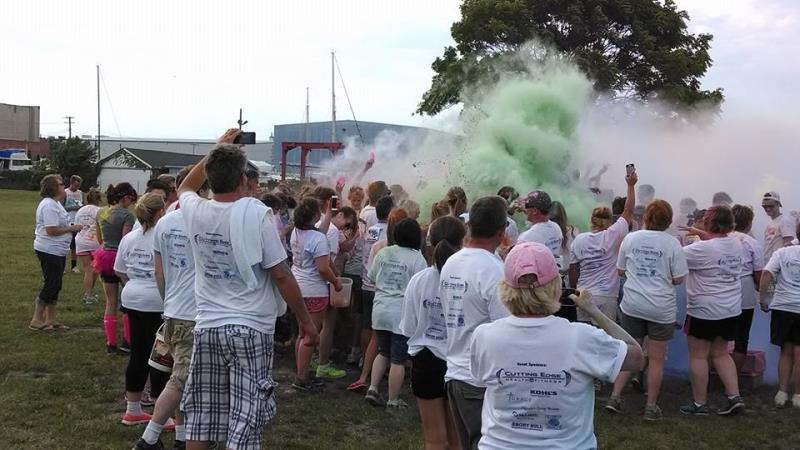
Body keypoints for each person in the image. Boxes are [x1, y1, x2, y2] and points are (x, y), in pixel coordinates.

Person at [178, 130, 318, 450]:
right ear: (243, 179)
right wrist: (305, 321)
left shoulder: (195, 209)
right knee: (246, 419)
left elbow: (184, 186)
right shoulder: (256, 214)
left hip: (208, 324)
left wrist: (217, 149)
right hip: (250, 326)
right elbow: (281, 274)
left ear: (210, 178)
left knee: (201, 415)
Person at [469, 242, 644, 450]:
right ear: (555, 287)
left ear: (505, 288)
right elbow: (637, 357)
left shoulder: (485, 336)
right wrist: (594, 311)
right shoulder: (581, 337)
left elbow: (480, 381)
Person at [132, 167, 206, 450]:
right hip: (194, 313)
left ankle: (182, 436)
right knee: (180, 379)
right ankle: (149, 438)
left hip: (173, 309)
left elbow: (159, 272)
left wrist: (168, 302)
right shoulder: (204, 220)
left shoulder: (164, 223)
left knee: (181, 377)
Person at [606, 200, 688, 420]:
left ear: (646, 217)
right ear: (668, 220)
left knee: (628, 353)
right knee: (657, 359)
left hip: (633, 305)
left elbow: (620, 270)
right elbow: (679, 278)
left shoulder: (631, 238)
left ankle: (614, 397)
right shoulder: (672, 244)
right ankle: (651, 406)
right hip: (661, 308)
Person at [441, 196, 509, 449]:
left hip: (455, 371)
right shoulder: (495, 271)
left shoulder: (452, 261)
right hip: (480, 380)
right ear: (502, 231)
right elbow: (506, 330)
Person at [400, 216, 465, 449]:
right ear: (462, 243)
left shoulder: (418, 280)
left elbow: (408, 328)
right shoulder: (466, 280)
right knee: (458, 439)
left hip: (425, 360)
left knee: (434, 439)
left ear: (429, 242)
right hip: (459, 362)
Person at [680, 206, 746, 415]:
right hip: (730, 309)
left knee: (698, 356)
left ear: (709, 223)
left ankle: (699, 404)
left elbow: (674, 256)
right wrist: (701, 234)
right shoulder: (736, 243)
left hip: (704, 310)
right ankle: (734, 396)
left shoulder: (699, 249)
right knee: (721, 353)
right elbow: (717, 244)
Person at [113, 193, 170, 427]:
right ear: (160, 212)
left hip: (132, 298)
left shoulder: (130, 238)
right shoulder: (164, 237)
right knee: (160, 357)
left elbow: (119, 270)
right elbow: (163, 272)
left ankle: (133, 409)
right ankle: (160, 412)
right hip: (157, 301)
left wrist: (135, 283)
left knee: (138, 353)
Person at [366, 218, 427, 409]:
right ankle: (393, 400)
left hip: (380, 310)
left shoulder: (384, 252)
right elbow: (422, 287)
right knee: (398, 360)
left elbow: (372, 277)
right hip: (401, 314)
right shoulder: (417, 258)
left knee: (383, 352)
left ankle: (373, 388)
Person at [290, 197, 344, 389]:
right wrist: (336, 281)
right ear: (314, 216)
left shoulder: (297, 232)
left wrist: (329, 213)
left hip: (297, 288)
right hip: (314, 291)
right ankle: (302, 378)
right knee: (311, 335)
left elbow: (319, 232)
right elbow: (322, 268)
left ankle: (301, 373)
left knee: (302, 332)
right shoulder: (318, 239)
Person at [569, 170, 637, 324]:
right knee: (606, 336)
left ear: (592, 220)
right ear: (610, 221)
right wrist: (631, 185)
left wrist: (575, 290)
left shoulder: (579, 239)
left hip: (583, 295)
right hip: (606, 297)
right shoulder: (613, 235)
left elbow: (573, 270)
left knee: (585, 335)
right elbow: (628, 211)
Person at [347, 195, 394, 391]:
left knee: (367, 324)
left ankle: (363, 358)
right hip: (378, 286)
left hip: (366, 280)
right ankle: (376, 363)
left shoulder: (371, 230)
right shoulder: (388, 235)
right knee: (377, 330)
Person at [29, 175, 82, 331]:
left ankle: (50, 319)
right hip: (49, 249)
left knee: (56, 284)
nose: (63, 186)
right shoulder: (49, 206)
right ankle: (36, 319)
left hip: (58, 250)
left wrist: (72, 226)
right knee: (51, 284)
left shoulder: (56, 204)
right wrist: (71, 228)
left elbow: (60, 223)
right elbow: (51, 230)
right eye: (60, 184)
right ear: (52, 187)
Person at [759, 223, 800, 408]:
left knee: (786, 351)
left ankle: (782, 393)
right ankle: (798, 395)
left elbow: (767, 274)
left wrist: (763, 299)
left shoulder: (782, 252)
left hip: (783, 307)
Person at [94, 182, 138, 354]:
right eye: (131, 200)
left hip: (104, 257)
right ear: (126, 198)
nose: (131, 204)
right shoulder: (127, 215)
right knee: (126, 301)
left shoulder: (101, 212)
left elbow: (99, 239)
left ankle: (110, 343)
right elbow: (126, 240)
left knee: (110, 301)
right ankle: (127, 341)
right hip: (121, 259)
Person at [730, 205, 764, 372]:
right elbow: (759, 274)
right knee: (741, 339)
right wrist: (764, 292)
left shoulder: (720, 238)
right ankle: (733, 378)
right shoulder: (752, 243)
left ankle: (711, 377)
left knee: (716, 338)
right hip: (745, 291)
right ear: (749, 223)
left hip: (721, 291)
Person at [517, 190, 563, 269]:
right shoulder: (556, 227)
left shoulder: (526, 238)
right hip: (553, 271)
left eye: (526, 205)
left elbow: (518, 265)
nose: (525, 208)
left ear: (535, 211)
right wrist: (529, 212)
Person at [74, 189, 103, 305]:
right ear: (99, 199)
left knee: (88, 269)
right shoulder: (100, 211)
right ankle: (89, 295)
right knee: (94, 269)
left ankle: (88, 294)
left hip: (81, 241)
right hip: (95, 241)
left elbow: (76, 224)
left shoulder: (80, 210)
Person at [762, 191, 795, 263]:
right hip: (769, 263)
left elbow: (789, 244)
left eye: (771, 206)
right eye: (765, 206)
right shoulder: (770, 223)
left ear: (778, 204)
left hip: (779, 264)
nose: (768, 209)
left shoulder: (784, 221)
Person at [65, 175, 84, 273]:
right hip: (67, 221)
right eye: (75, 185)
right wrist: (73, 208)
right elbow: (62, 207)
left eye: (78, 186)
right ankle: (62, 265)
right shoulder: (65, 192)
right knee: (65, 244)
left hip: (77, 221)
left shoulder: (80, 193)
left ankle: (74, 266)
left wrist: (81, 207)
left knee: (74, 245)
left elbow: (82, 204)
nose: (77, 188)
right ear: (71, 183)